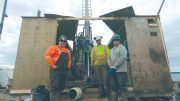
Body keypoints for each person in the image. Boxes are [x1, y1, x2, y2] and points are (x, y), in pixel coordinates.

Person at [44, 35, 72, 101]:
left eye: (64, 42)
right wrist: (53, 66)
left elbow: (69, 60)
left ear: (65, 43)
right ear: (59, 42)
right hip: (56, 71)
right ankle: (54, 99)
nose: (62, 43)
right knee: (55, 85)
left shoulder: (67, 51)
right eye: (61, 41)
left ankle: (58, 98)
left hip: (64, 71)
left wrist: (68, 67)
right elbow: (47, 56)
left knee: (62, 85)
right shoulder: (54, 48)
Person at [107, 34, 128, 101]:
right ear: (113, 41)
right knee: (113, 88)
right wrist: (110, 66)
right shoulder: (111, 50)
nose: (115, 41)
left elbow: (122, 58)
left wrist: (114, 66)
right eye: (114, 40)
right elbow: (108, 58)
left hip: (121, 71)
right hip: (113, 71)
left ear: (119, 41)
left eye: (117, 40)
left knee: (123, 88)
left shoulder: (122, 48)